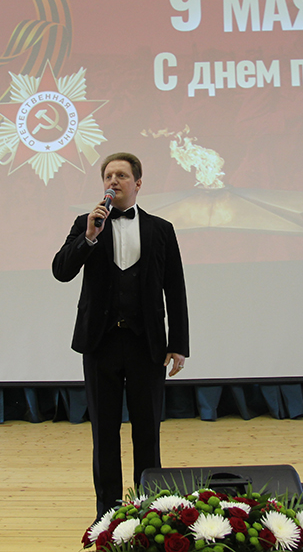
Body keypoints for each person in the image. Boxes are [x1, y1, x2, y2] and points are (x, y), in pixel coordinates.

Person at [52, 152, 189, 517]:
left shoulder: (161, 229)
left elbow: (175, 288)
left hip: (147, 345)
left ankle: (151, 510)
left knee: (147, 432)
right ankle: (107, 515)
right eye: (108, 176)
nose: (113, 181)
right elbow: (61, 271)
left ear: (138, 183)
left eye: (122, 175)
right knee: (104, 434)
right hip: (100, 343)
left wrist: (178, 343)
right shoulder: (87, 223)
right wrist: (88, 238)